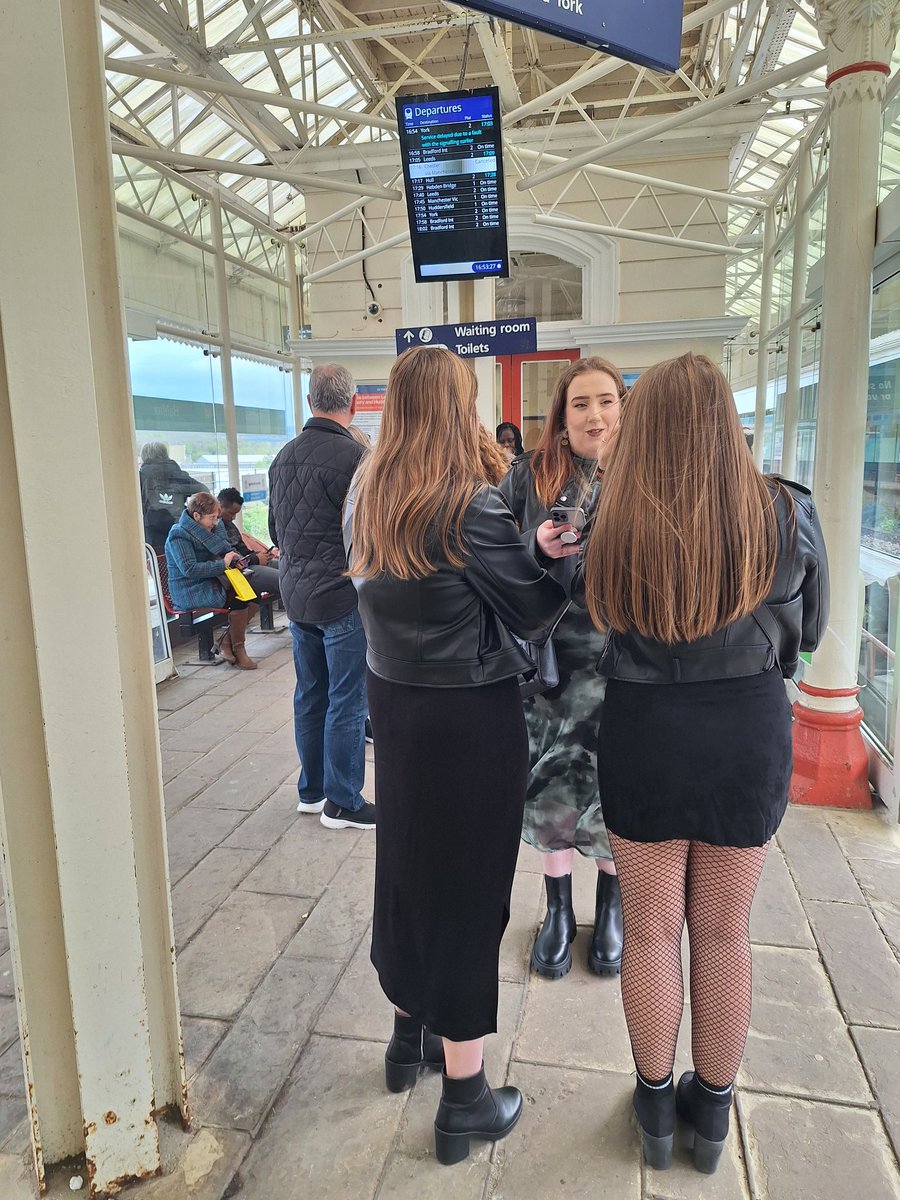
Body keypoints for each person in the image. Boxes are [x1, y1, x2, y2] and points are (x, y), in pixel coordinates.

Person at [581, 352, 829, 1174]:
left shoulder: (611, 512)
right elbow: (814, 631)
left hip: (643, 727)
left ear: (641, 425)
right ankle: (712, 1121)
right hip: (746, 731)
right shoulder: (785, 513)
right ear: (729, 421)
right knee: (725, 931)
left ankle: (653, 1106)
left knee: (649, 930)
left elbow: (597, 621)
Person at [346, 345, 572, 1166]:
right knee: (470, 893)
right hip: (469, 718)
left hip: (395, 706)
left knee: (407, 871)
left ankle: (406, 1044)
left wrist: (525, 551)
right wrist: (555, 559)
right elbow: (537, 610)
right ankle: (466, 1100)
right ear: (457, 406)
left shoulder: (366, 494)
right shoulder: (468, 506)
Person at [498, 358, 626, 981]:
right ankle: (555, 910)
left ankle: (609, 908)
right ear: (561, 413)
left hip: (624, 666)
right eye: (580, 404)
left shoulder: (645, 477)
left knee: (612, 788)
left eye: (605, 401)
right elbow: (487, 558)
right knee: (549, 787)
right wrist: (534, 548)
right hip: (550, 666)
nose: (594, 415)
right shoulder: (527, 474)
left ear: (622, 407)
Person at [268, 364, 373, 828]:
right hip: (340, 596)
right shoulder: (356, 459)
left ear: (310, 402)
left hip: (295, 594)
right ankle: (343, 801)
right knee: (347, 699)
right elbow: (367, 535)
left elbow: (275, 529)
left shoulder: (282, 457)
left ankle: (310, 791)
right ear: (352, 404)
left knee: (310, 692)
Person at [164, 492, 258, 670]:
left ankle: (227, 642)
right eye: (212, 518)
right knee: (240, 599)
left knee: (252, 594)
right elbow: (189, 569)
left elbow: (222, 550)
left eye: (217, 517)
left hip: (210, 580)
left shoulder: (207, 531)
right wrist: (223, 564)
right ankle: (238, 650)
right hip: (189, 588)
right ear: (197, 516)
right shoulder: (179, 535)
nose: (216, 523)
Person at [139, 441, 210, 552]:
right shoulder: (178, 474)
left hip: (153, 538)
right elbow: (204, 491)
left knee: (157, 566)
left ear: (144, 457)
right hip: (179, 532)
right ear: (165, 454)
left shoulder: (140, 477)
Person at [217, 488, 281, 600]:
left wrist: (260, 555)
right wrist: (255, 559)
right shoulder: (215, 528)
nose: (233, 517)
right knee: (285, 579)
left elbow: (242, 550)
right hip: (240, 571)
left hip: (249, 564)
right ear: (220, 506)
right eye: (231, 513)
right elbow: (231, 560)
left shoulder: (229, 525)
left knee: (289, 569)